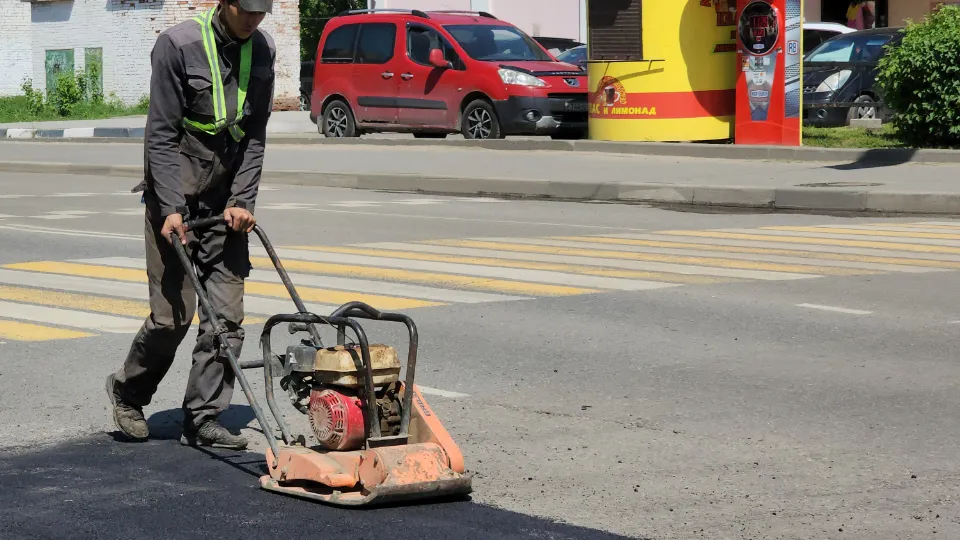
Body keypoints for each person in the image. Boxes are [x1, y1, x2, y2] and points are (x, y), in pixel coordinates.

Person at [104, 0, 276, 450]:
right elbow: (160, 134)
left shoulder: (263, 51)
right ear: (226, 3)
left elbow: (254, 136)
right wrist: (170, 208)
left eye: (262, 14)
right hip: (175, 201)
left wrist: (242, 199)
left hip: (224, 207)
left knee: (227, 319)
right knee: (171, 319)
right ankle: (128, 393)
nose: (254, 21)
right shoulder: (177, 46)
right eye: (247, 13)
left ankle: (202, 417)